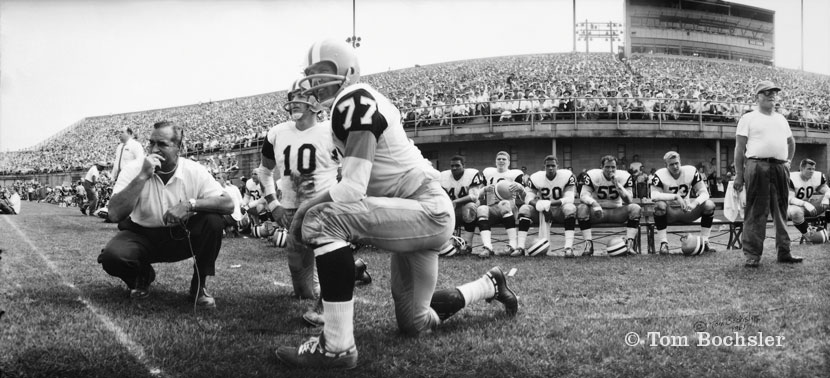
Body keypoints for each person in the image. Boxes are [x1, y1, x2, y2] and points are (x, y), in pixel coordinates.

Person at [275, 39, 517, 370]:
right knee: (414, 323)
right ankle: (489, 284)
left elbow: (353, 189)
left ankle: (337, 346)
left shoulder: (353, 97)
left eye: (323, 73)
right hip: (413, 213)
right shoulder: (351, 107)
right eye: (312, 75)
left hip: (424, 208)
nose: (316, 82)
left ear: (348, 73)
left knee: (321, 217)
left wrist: (304, 211)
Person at [254, 78, 371, 327]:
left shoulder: (331, 130)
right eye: (292, 95)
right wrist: (274, 204)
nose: (294, 100)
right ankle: (355, 268)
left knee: (323, 276)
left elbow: (351, 170)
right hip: (290, 210)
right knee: (302, 292)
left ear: (316, 102)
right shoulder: (276, 133)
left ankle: (340, 276)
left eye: (301, 95)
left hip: (322, 208)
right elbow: (264, 172)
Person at [97, 121, 234, 307]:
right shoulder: (134, 169)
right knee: (112, 257)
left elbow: (228, 203)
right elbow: (113, 213)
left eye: (162, 144)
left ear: (180, 147)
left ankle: (199, 286)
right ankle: (142, 276)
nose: (154, 149)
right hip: (141, 235)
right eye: (151, 143)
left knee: (213, 221)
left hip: (181, 235)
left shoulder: (194, 170)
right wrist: (142, 176)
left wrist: (190, 205)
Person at [734, 80, 801, 268]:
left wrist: (788, 162)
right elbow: (739, 149)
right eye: (766, 92)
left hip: (780, 167)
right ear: (758, 96)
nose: (772, 95)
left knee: (781, 210)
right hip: (757, 166)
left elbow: (791, 142)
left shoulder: (781, 118)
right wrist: (739, 175)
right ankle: (752, 255)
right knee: (756, 211)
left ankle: (785, 252)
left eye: (774, 92)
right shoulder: (748, 118)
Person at [650, 151, 717, 254]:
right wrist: (675, 196)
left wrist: (694, 203)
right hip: (669, 213)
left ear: (680, 161)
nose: (675, 166)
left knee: (709, 205)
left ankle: (705, 241)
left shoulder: (690, 171)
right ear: (666, 165)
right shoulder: (660, 174)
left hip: (687, 211)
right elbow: (654, 195)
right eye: (671, 164)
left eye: (677, 163)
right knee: (659, 205)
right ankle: (664, 244)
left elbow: (705, 193)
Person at [577, 155, 641, 256]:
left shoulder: (624, 176)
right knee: (582, 208)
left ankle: (629, 245)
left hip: (616, 212)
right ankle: (588, 245)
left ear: (616, 167)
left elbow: (629, 200)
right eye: (607, 167)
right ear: (601, 167)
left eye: (613, 167)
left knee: (635, 208)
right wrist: (594, 203)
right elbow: (583, 195)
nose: (610, 170)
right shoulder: (592, 175)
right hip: (597, 212)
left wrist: (617, 185)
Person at [516, 155, 577, 256]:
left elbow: (570, 198)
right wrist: (541, 206)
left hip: (559, 210)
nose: (550, 168)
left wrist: (548, 204)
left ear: (557, 165)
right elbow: (528, 197)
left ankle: (568, 248)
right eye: (548, 166)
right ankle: (520, 247)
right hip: (541, 212)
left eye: (553, 165)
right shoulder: (536, 177)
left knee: (570, 208)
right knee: (524, 208)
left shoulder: (566, 175)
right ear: (544, 166)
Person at [475, 151, 526, 257]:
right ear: (495, 161)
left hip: (509, 209)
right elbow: (478, 195)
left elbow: (524, 197)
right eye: (499, 159)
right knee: (481, 209)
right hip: (492, 208)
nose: (501, 161)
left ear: (509, 162)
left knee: (504, 204)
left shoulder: (515, 174)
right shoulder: (488, 173)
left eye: (504, 159)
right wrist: (484, 189)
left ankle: (512, 245)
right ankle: (488, 247)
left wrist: (520, 188)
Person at [438, 155, 484, 256]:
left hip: (467, 207)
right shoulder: (443, 177)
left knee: (469, 207)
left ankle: (467, 244)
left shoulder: (471, 174)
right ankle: (452, 242)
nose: (454, 168)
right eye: (452, 166)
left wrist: (455, 202)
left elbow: (474, 196)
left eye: (457, 166)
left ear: (463, 165)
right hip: (451, 208)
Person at [787, 158, 830, 242]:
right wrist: (805, 204)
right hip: (791, 207)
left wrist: (826, 197)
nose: (812, 171)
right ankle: (809, 236)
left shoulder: (816, 177)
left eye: (813, 169)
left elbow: (827, 190)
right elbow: (789, 199)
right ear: (802, 169)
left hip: (809, 207)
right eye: (809, 169)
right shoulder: (792, 177)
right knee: (796, 211)